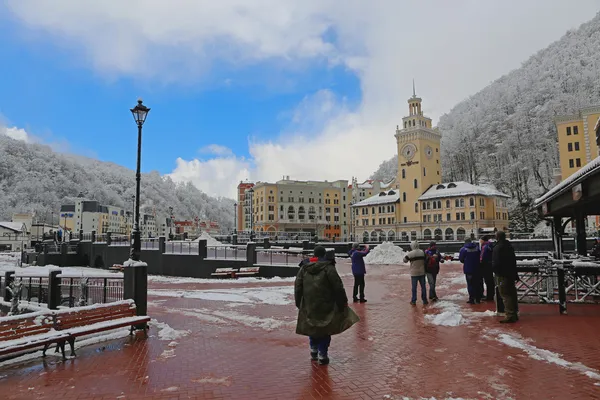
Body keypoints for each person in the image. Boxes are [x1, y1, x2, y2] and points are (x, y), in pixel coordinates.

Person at [295, 246, 359, 365]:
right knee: (325, 328)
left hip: (309, 303)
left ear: (314, 255)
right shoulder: (328, 268)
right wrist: (342, 302)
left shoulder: (304, 268)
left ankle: (314, 349)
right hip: (326, 303)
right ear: (324, 255)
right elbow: (338, 286)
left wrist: (299, 302)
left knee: (312, 325)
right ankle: (322, 354)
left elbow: (298, 286)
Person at [492, 231, 519, 323]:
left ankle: (510, 315)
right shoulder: (509, 246)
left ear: (497, 237)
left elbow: (496, 262)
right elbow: (513, 261)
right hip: (511, 273)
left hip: (502, 275)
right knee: (512, 293)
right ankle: (514, 313)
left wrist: (496, 272)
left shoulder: (497, 248)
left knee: (505, 294)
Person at [403, 241, 428, 305]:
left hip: (414, 273)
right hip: (422, 272)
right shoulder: (422, 252)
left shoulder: (410, 253)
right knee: (423, 287)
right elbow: (426, 259)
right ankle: (424, 300)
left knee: (414, 288)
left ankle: (413, 300)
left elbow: (404, 260)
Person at [459, 238, 482, 304]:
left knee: (470, 284)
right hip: (477, 269)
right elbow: (480, 256)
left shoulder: (463, 249)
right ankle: (478, 299)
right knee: (477, 284)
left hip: (468, 269)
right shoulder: (477, 248)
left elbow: (461, 259)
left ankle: (471, 299)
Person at [480, 236, 495, 301]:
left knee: (488, 281)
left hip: (486, 266)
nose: (480, 241)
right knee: (490, 281)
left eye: (480, 240)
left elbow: (482, 257)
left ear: (483, 240)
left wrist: (481, 263)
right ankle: (491, 294)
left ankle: (489, 296)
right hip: (490, 265)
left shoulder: (485, 247)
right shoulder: (490, 245)